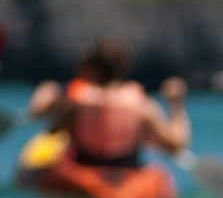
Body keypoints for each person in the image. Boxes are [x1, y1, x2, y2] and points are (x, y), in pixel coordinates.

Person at [26, 38, 192, 167]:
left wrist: (45, 96)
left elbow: (51, 127)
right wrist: (177, 105)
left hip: (83, 170)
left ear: (89, 68)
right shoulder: (141, 105)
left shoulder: (77, 99)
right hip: (126, 173)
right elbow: (175, 144)